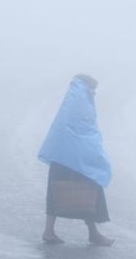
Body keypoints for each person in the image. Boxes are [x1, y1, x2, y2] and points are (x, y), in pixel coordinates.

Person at [38, 74, 114, 246]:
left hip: (61, 153)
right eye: (92, 90)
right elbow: (85, 129)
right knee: (91, 188)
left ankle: (49, 230)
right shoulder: (81, 101)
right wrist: (95, 154)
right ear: (87, 87)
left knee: (55, 190)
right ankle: (93, 233)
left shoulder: (72, 99)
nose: (93, 94)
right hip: (77, 156)